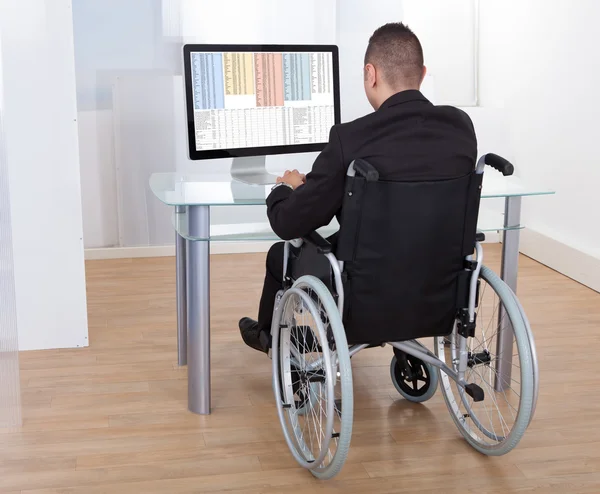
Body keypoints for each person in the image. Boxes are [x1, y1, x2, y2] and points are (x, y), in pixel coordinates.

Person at [239, 22, 477, 352]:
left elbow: (289, 223)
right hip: (436, 287)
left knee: (279, 255)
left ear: (371, 73)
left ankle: (268, 336)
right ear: (422, 74)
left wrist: (286, 189)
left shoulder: (349, 139)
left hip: (366, 294)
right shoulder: (460, 128)